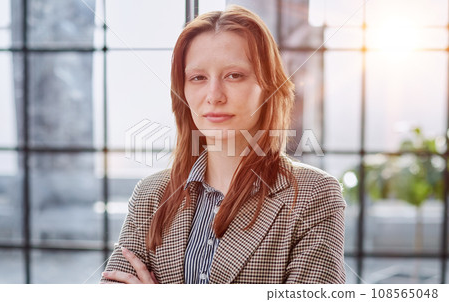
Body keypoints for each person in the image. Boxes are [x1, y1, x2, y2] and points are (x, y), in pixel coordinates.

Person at [100, 5, 346, 284]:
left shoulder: (313, 195)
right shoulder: (151, 194)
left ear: (268, 87)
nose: (214, 95)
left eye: (234, 75)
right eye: (198, 78)